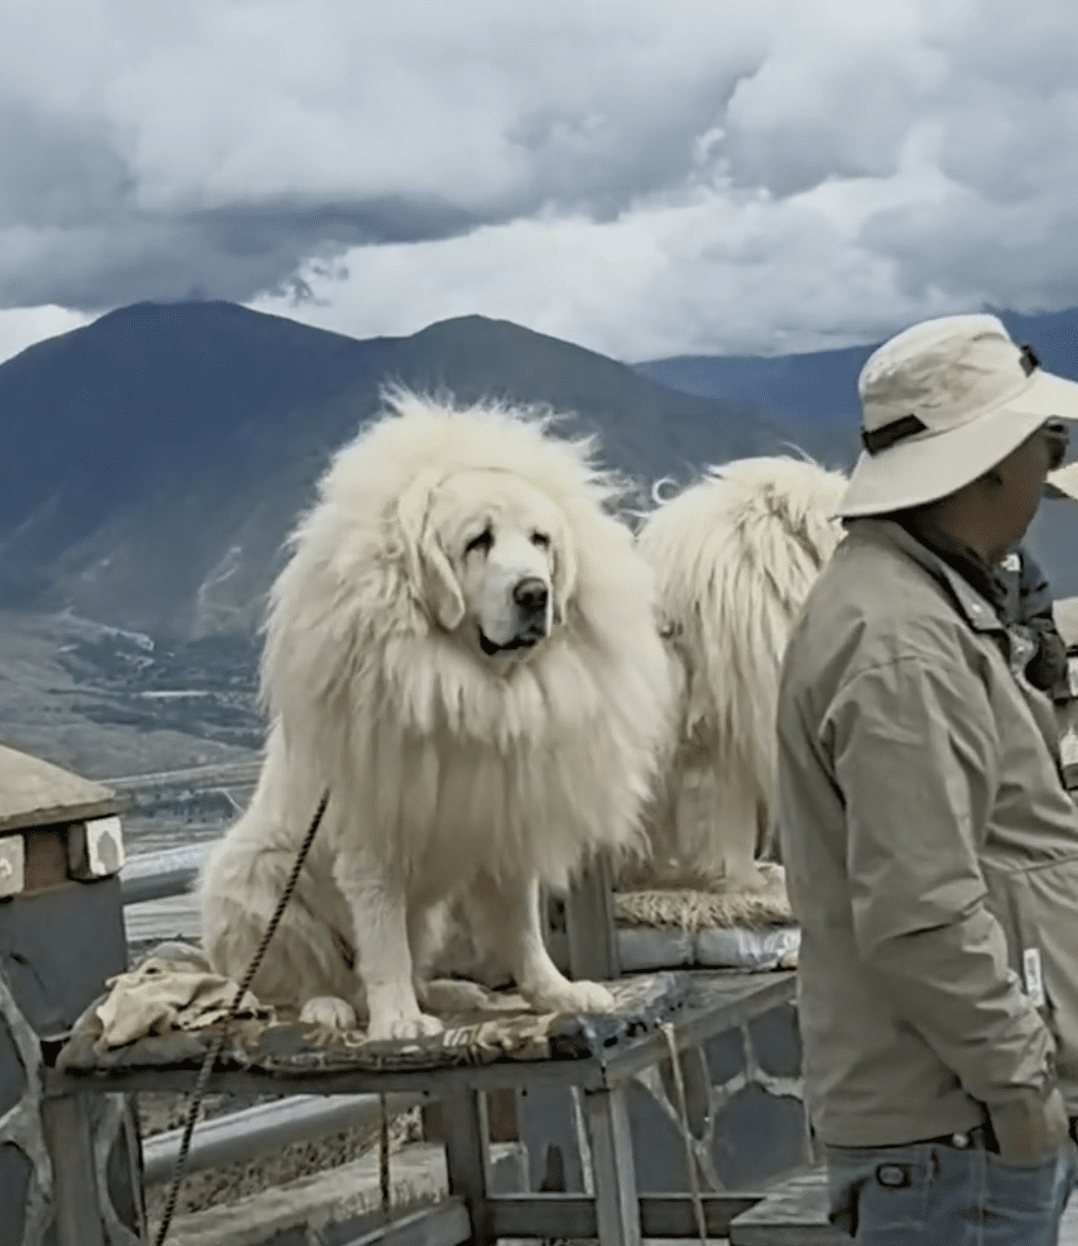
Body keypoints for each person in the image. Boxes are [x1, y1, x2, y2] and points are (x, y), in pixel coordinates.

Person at [776, 313, 1078, 1244]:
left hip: (958, 1129)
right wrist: (1023, 1086)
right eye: (1042, 441)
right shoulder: (904, 646)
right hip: (958, 1136)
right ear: (986, 463)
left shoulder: (925, 610)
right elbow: (921, 911)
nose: (1048, 466)